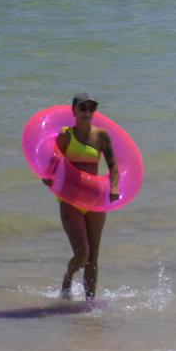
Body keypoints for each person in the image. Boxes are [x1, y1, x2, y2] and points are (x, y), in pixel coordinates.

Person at [40, 92, 119, 300]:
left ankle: (89, 305)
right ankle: (68, 277)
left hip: (95, 199)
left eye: (91, 108)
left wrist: (114, 188)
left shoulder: (101, 136)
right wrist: (48, 176)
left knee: (93, 258)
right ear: (73, 111)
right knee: (82, 254)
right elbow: (53, 163)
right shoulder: (66, 135)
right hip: (71, 199)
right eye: (82, 108)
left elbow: (113, 166)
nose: (87, 112)